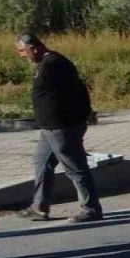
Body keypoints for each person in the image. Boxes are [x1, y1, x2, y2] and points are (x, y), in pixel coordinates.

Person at [15, 33, 103, 223]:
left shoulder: (54, 63)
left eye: (23, 50)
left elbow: (76, 91)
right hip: (50, 129)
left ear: (34, 47)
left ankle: (91, 208)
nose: (22, 55)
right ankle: (39, 207)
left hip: (62, 128)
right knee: (42, 162)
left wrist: (77, 119)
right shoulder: (47, 64)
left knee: (75, 167)